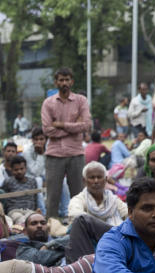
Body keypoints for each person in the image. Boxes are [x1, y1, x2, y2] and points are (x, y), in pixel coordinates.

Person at [41, 67, 92, 219]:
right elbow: (47, 130)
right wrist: (74, 127)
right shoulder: (48, 103)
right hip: (54, 154)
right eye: (61, 80)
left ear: (72, 81)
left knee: (78, 195)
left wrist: (61, 124)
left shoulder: (81, 101)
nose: (64, 83)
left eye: (67, 79)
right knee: (53, 196)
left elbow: (86, 125)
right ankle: (51, 227)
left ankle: (79, 226)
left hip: (76, 153)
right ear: (56, 82)